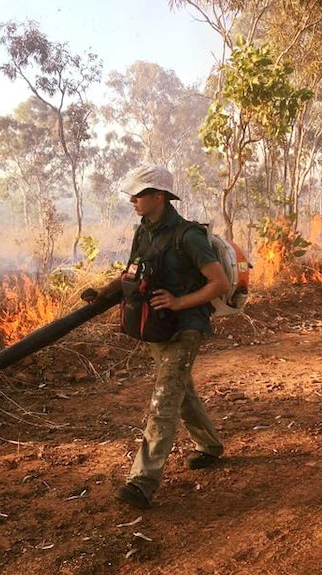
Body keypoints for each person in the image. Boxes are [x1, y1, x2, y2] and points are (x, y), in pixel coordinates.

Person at [89, 164, 230, 510]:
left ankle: (142, 481)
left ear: (160, 197)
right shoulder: (144, 231)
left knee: (163, 400)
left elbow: (219, 283)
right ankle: (210, 445)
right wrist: (105, 292)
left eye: (139, 194)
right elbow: (133, 271)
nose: (133, 200)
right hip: (156, 325)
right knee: (179, 391)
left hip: (186, 326)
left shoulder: (189, 236)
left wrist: (180, 301)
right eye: (133, 194)